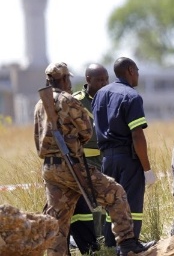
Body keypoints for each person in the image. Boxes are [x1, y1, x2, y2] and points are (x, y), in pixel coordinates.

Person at [34, 62, 153, 256]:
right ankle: (127, 244)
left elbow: (37, 137)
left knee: (59, 220)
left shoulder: (40, 104)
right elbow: (88, 131)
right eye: (68, 78)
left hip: (49, 168)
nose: (70, 82)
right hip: (70, 166)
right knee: (116, 193)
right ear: (64, 79)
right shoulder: (69, 100)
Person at [92, 57, 157, 248]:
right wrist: (147, 169)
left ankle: (112, 245)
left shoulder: (100, 94)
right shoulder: (131, 96)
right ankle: (131, 245)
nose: (138, 74)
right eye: (137, 70)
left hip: (106, 159)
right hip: (127, 158)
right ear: (130, 70)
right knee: (132, 203)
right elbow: (137, 135)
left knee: (111, 202)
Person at [68, 63, 109, 254]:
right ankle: (90, 243)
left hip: (107, 158)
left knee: (106, 202)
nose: (103, 83)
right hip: (86, 160)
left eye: (105, 79)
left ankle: (104, 240)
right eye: (99, 80)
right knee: (90, 205)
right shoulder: (76, 101)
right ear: (88, 80)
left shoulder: (110, 97)